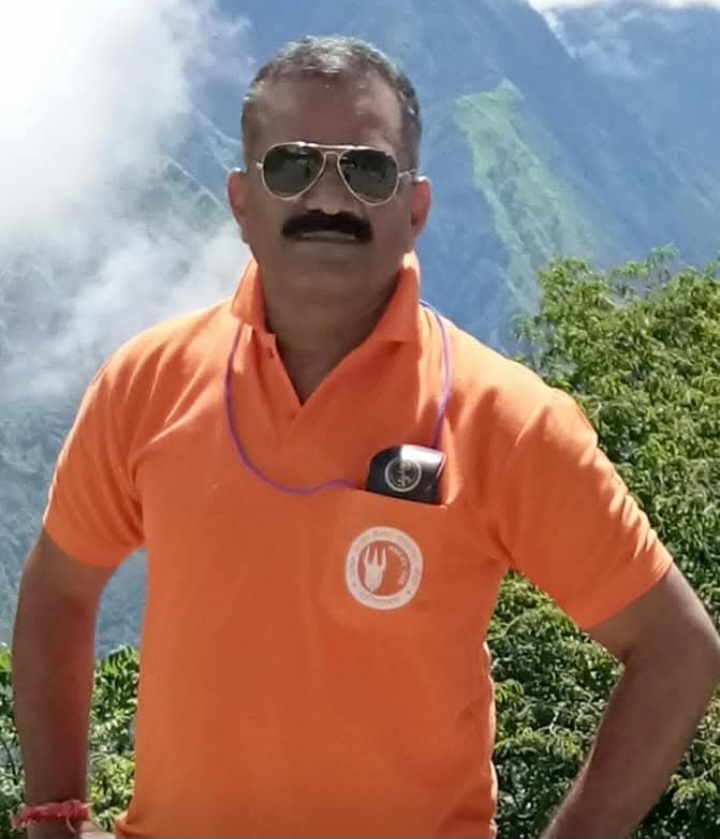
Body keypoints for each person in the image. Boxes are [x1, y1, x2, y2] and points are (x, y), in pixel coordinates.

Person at [11, 35, 720, 839]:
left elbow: (677, 651)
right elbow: (59, 591)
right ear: (242, 203)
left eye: (367, 170)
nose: (329, 196)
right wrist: (54, 814)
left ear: (414, 210)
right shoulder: (147, 382)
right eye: (291, 166)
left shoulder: (506, 419)